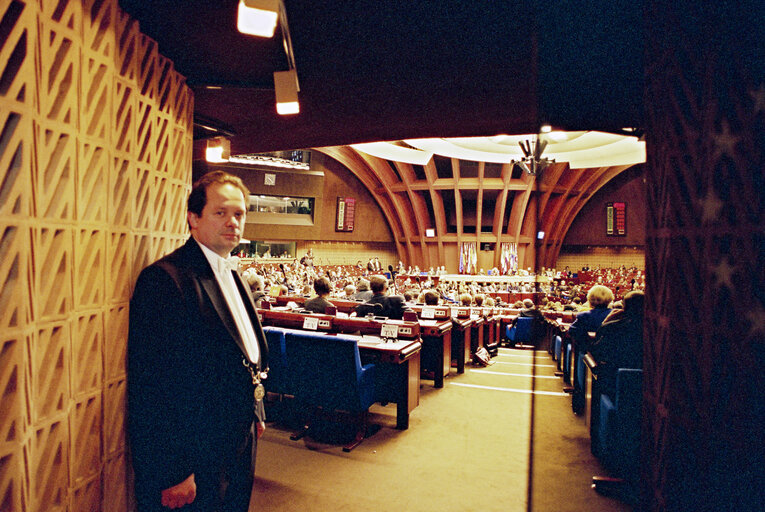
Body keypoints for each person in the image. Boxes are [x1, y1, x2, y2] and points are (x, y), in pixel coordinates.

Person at [128, 171, 269, 512]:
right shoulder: (165, 279)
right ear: (193, 218)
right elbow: (152, 383)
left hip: (240, 437)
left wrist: (256, 409)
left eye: (239, 214)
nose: (232, 222)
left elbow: (244, 355)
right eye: (220, 212)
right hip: (195, 451)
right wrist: (172, 470)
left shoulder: (234, 275)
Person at [590, 290, 645, 396]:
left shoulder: (611, 327)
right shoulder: (655, 331)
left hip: (612, 382)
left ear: (624, 307)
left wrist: (606, 321)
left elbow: (596, 351)